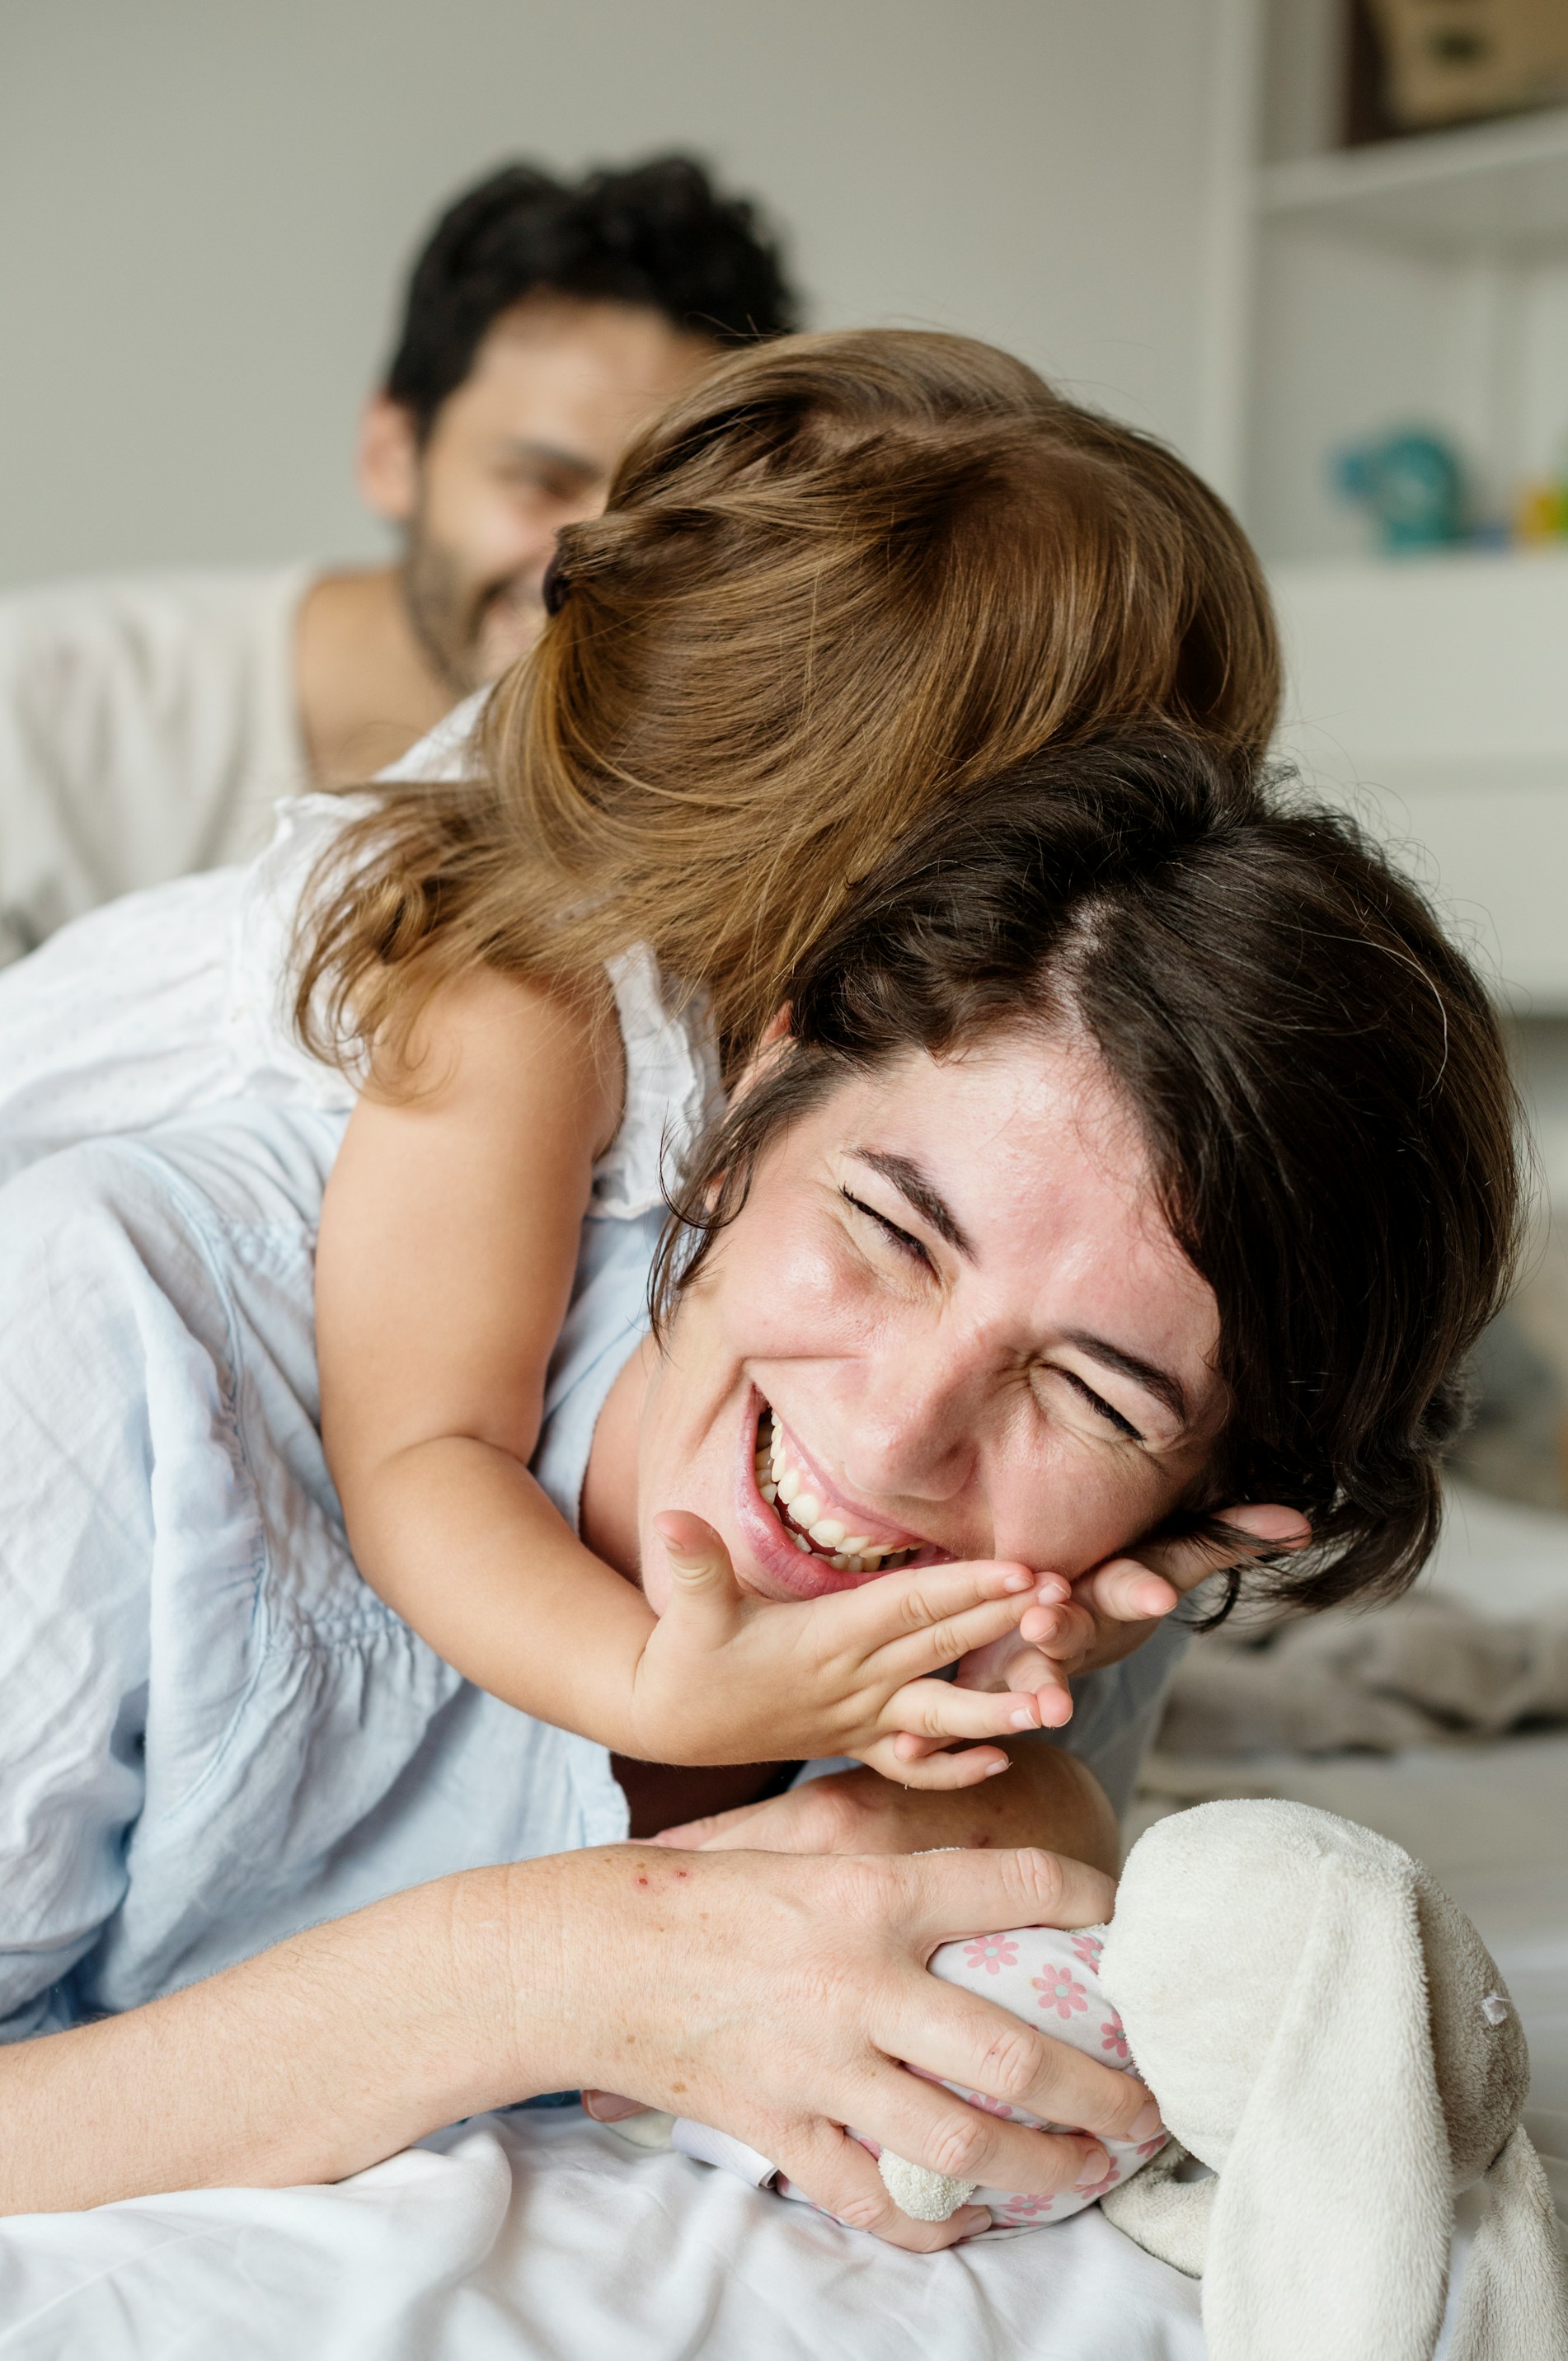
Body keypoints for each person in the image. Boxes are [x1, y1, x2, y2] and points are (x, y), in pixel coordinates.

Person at [0, 731, 1520, 2243]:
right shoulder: (105, 1327)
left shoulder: (1069, 1604)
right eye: (888, 1228)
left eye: (1089, 1390)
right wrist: (550, 1972)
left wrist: (1025, 1802)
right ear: (755, 1104)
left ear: (1213, 1503)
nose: (902, 1434)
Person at [0, 328, 1289, 1791]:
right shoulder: (517, 989)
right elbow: (425, 1460)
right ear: (888, 842)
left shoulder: (809, 1016)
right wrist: (659, 1687)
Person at [0, 155, 795, 962]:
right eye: (541, 482)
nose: (592, 555)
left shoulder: (733, 815)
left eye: (662, 505)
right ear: (391, 454)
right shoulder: (41, 704)